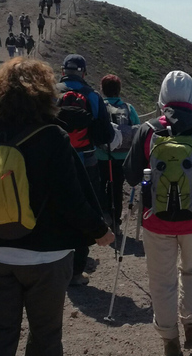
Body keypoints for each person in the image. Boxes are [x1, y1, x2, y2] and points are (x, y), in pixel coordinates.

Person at [0, 58, 114, 356]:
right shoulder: (54, 137)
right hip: (47, 258)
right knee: (45, 336)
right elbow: (72, 200)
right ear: (45, 95)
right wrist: (100, 232)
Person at [123, 71, 192, 356]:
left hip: (155, 220)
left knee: (161, 277)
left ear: (162, 98)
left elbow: (132, 176)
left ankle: (169, 340)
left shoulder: (147, 130)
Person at [56, 54, 120, 285]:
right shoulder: (92, 96)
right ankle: (76, 270)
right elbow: (105, 135)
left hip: (54, 158)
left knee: (54, 207)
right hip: (86, 159)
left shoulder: (50, 93)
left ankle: (54, 262)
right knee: (82, 208)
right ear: (83, 72)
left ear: (63, 70)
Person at [96, 74, 140, 234]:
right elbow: (137, 129)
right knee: (117, 188)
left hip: (101, 156)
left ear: (103, 89)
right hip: (122, 157)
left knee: (101, 186)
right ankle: (116, 222)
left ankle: (104, 216)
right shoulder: (128, 108)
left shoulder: (99, 107)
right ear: (119, 90)